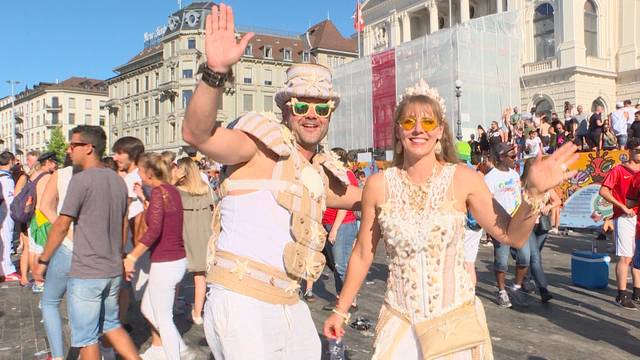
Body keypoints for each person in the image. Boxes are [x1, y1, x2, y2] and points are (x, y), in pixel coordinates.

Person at [322, 79, 578, 358]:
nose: (418, 129)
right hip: (400, 324)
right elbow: (362, 253)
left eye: (428, 123)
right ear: (398, 130)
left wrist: (533, 192)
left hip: (454, 327)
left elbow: (511, 235)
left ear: (440, 130)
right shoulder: (378, 184)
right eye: (408, 122)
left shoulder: (464, 179)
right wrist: (340, 310)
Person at [181, 4, 361, 359]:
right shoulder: (258, 143)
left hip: (290, 303)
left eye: (321, 108)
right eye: (302, 106)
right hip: (241, 300)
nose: (312, 115)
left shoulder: (319, 172)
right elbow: (197, 133)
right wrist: (215, 72)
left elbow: (371, 196)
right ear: (285, 108)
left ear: (331, 114)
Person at [33, 126, 139, 360]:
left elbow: (62, 224)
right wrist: (120, 256)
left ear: (89, 148)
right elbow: (123, 225)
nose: (69, 150)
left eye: (74, 145)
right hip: (111, 268)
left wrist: (43, 260)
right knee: (112, 325)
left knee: (87, 338)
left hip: (88, 270)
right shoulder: (118, 180)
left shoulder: (80, 180)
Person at [124, 153, 194, 360]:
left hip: (166, 262)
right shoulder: (170, 190)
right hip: (174, 260)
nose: (137, 173)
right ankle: (180, 349)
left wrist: (132, 257)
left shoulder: (158, 193)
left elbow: (153, 230)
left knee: (163, 318)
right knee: (147, 307)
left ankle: (175, 355)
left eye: (140, 170)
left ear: (148, 173)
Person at [485, 143, 533, 307]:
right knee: (502, 261)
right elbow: (487, 202)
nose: (515, 159)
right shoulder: (490, 178)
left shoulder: (514, 174)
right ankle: (502, 291)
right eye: (512, 157)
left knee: (525, 257)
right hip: (500, 225)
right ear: (501, 157)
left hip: (517, 223)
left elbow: (519, 195)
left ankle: (516, 286)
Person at [38, 155, 75, 360]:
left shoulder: (61, 175)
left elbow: (45, 206)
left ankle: (59, 356)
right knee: (82, 304)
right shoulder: (107, 174)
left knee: (50, 301)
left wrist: (64, 227)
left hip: (68, 245)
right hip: (98, 249)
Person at [172, 157, 215, 326]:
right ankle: (197, 313)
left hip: (183, 234)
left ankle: (173, 306)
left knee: (175, 276)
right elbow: (215, 209)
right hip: (203, 234)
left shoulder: (176, 191)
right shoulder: (206, 189)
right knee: (200, 277)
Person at [601, 138, 640, 309]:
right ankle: (621, 294)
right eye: (638, 150)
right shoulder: (618, 169)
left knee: (637, 257)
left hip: (639, 217)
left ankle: (637, 291)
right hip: (624, 217)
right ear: (629, 150)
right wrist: (622, 206)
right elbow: (603, 190)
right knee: (626, 257)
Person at [521, 159, 561, 303]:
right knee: (535, 257)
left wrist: (549, 207)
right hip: (528, 225)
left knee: (534, 255)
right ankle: (543, 289)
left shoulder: (545, 185)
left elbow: (557, 200)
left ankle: (526, 279)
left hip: (542, 225)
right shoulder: (522, 185)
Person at [27, 152, 59, 292]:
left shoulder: (35, 174)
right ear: (48, 162)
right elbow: (50, 199)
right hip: (43, 216)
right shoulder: (47, 177)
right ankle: (39, 282)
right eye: (54, 162)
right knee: (41, 250)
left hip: (35, 215)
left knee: (33, 250)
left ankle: (36, 280)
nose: (56, 165)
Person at [0, 151, 18, 282]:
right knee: (6, 240)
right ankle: (8, 270)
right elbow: (10, 199)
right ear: (10, 161)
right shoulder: (5, 178)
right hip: (5, 213)